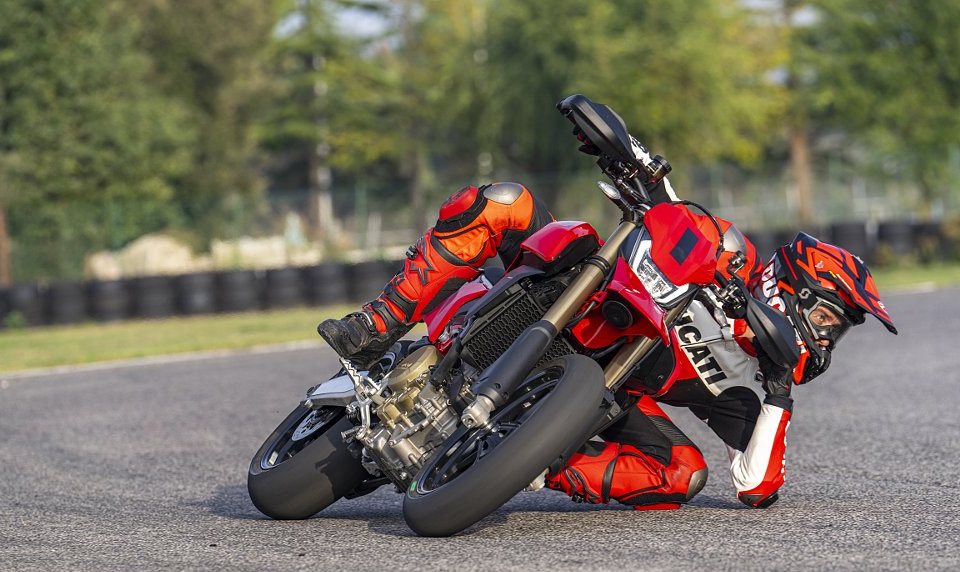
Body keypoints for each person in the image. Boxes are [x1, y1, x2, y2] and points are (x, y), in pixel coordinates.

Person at [317, 135, 898, 510]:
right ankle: (378, 324)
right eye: (828, 317)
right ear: (791, 287)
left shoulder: (755, 387)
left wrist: (777, 390)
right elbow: (673, 212)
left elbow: (757, 487)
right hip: (577, 296)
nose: (826, 337)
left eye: (838, 329)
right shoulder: (731, 255)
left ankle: (529, 465)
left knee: (681, 475)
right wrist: (631, 157)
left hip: (602, 390)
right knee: (505, 199)